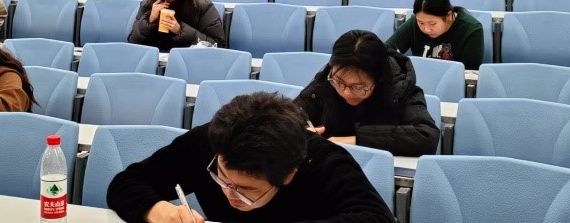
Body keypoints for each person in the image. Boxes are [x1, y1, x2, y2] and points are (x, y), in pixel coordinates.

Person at [107, 92, 394, 223]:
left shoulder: (323, 161)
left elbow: (376, 217)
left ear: (288, 175)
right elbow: (127, 182)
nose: (230, 195)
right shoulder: (211, 141)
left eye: (247, 190)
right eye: (222, 178)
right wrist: (158, 211)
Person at [296, 30, 440, 156]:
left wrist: (358, 139)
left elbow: (427, 136)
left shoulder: (400, 87)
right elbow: (290, 116)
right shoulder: (327, 81)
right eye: (339, 82)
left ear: (379, 78)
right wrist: (303, 132)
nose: (346, 92)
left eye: (357, 87)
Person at [386, 0, 485, 70]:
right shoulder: (414, 23)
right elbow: (386, 51)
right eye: (421, 23)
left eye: (432, 23)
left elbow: (469, 73)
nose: (426, 29)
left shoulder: (471, 30)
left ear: (448, 16)